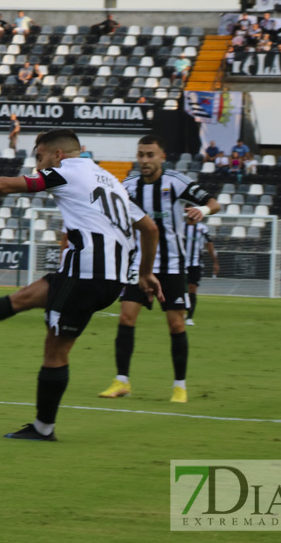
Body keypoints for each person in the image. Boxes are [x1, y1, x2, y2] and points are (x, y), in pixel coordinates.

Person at [0, 128, 163, 441]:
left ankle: (44, 428)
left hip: (84, 274)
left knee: (55, 351)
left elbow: (11, 184)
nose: (38, 164)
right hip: (109, 279)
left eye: (40, 157)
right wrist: (144, 274)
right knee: (21, 300)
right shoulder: (109, 180)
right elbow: (150, 228)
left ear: (57, 154)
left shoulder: (65, 171)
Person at [99, 135, 220, 404]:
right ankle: (121, 381)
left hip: (172, 266)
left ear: (162, 157)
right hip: (139, 265)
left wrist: (201, 210)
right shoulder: (127, 186)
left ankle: (179, 386)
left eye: (150, 155)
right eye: (141, 154)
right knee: (126, 318)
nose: (144, 160)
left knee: (176, 324)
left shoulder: (176, 182)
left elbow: (214, 202)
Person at [182, 217, 218, 327]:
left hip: (195, 264)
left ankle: (189, 317)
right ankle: (182, 311)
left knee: (192, 288)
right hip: (179, 263)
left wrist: (215, 262)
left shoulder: (202, 228)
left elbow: (209, 244)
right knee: (181, 289)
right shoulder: (180, 226)